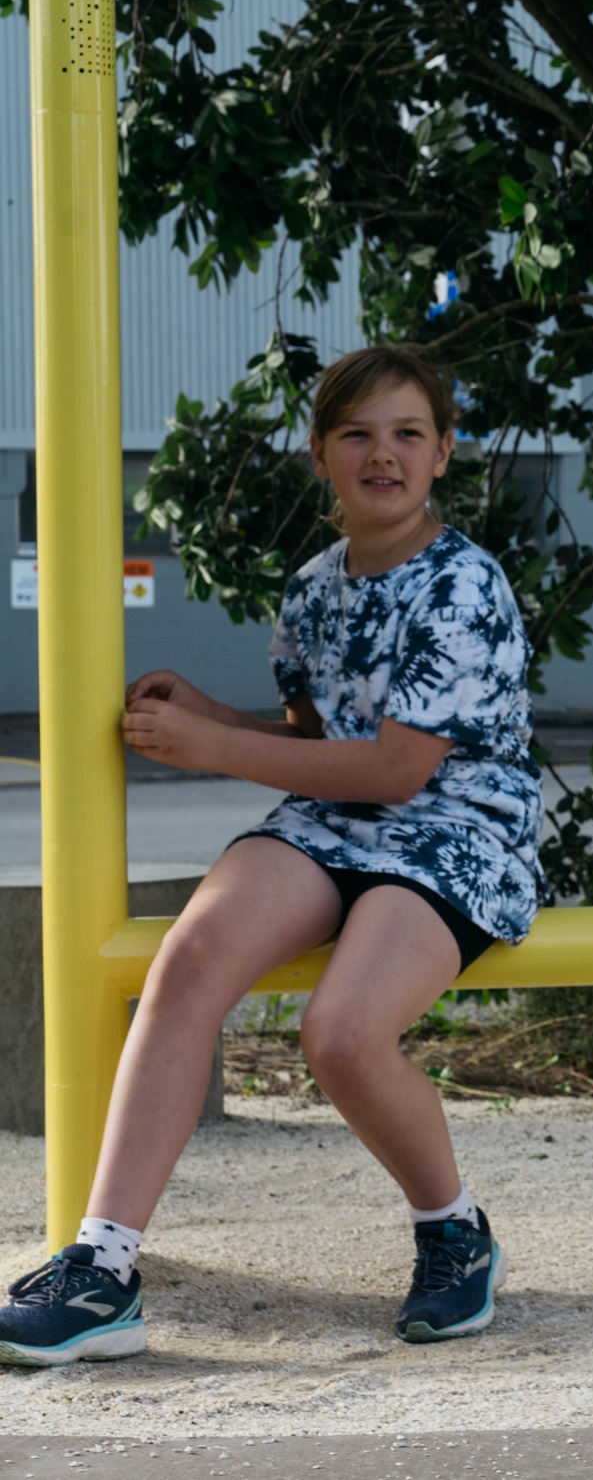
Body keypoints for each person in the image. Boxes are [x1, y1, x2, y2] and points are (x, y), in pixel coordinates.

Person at [0, 347, 542, 1367]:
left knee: (339, 1031)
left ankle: (454, 1227)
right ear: (319, 454)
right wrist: (212, 714)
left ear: (443, 455)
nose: (382, 453)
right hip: (333, 818)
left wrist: (212, 750)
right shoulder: (313, 588)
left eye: (407, 434)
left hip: (454, 824)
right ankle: (104, 1267)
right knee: (189, 963)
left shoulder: (464, 583)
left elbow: (392, 769)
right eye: (357, 434)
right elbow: (314, 736)